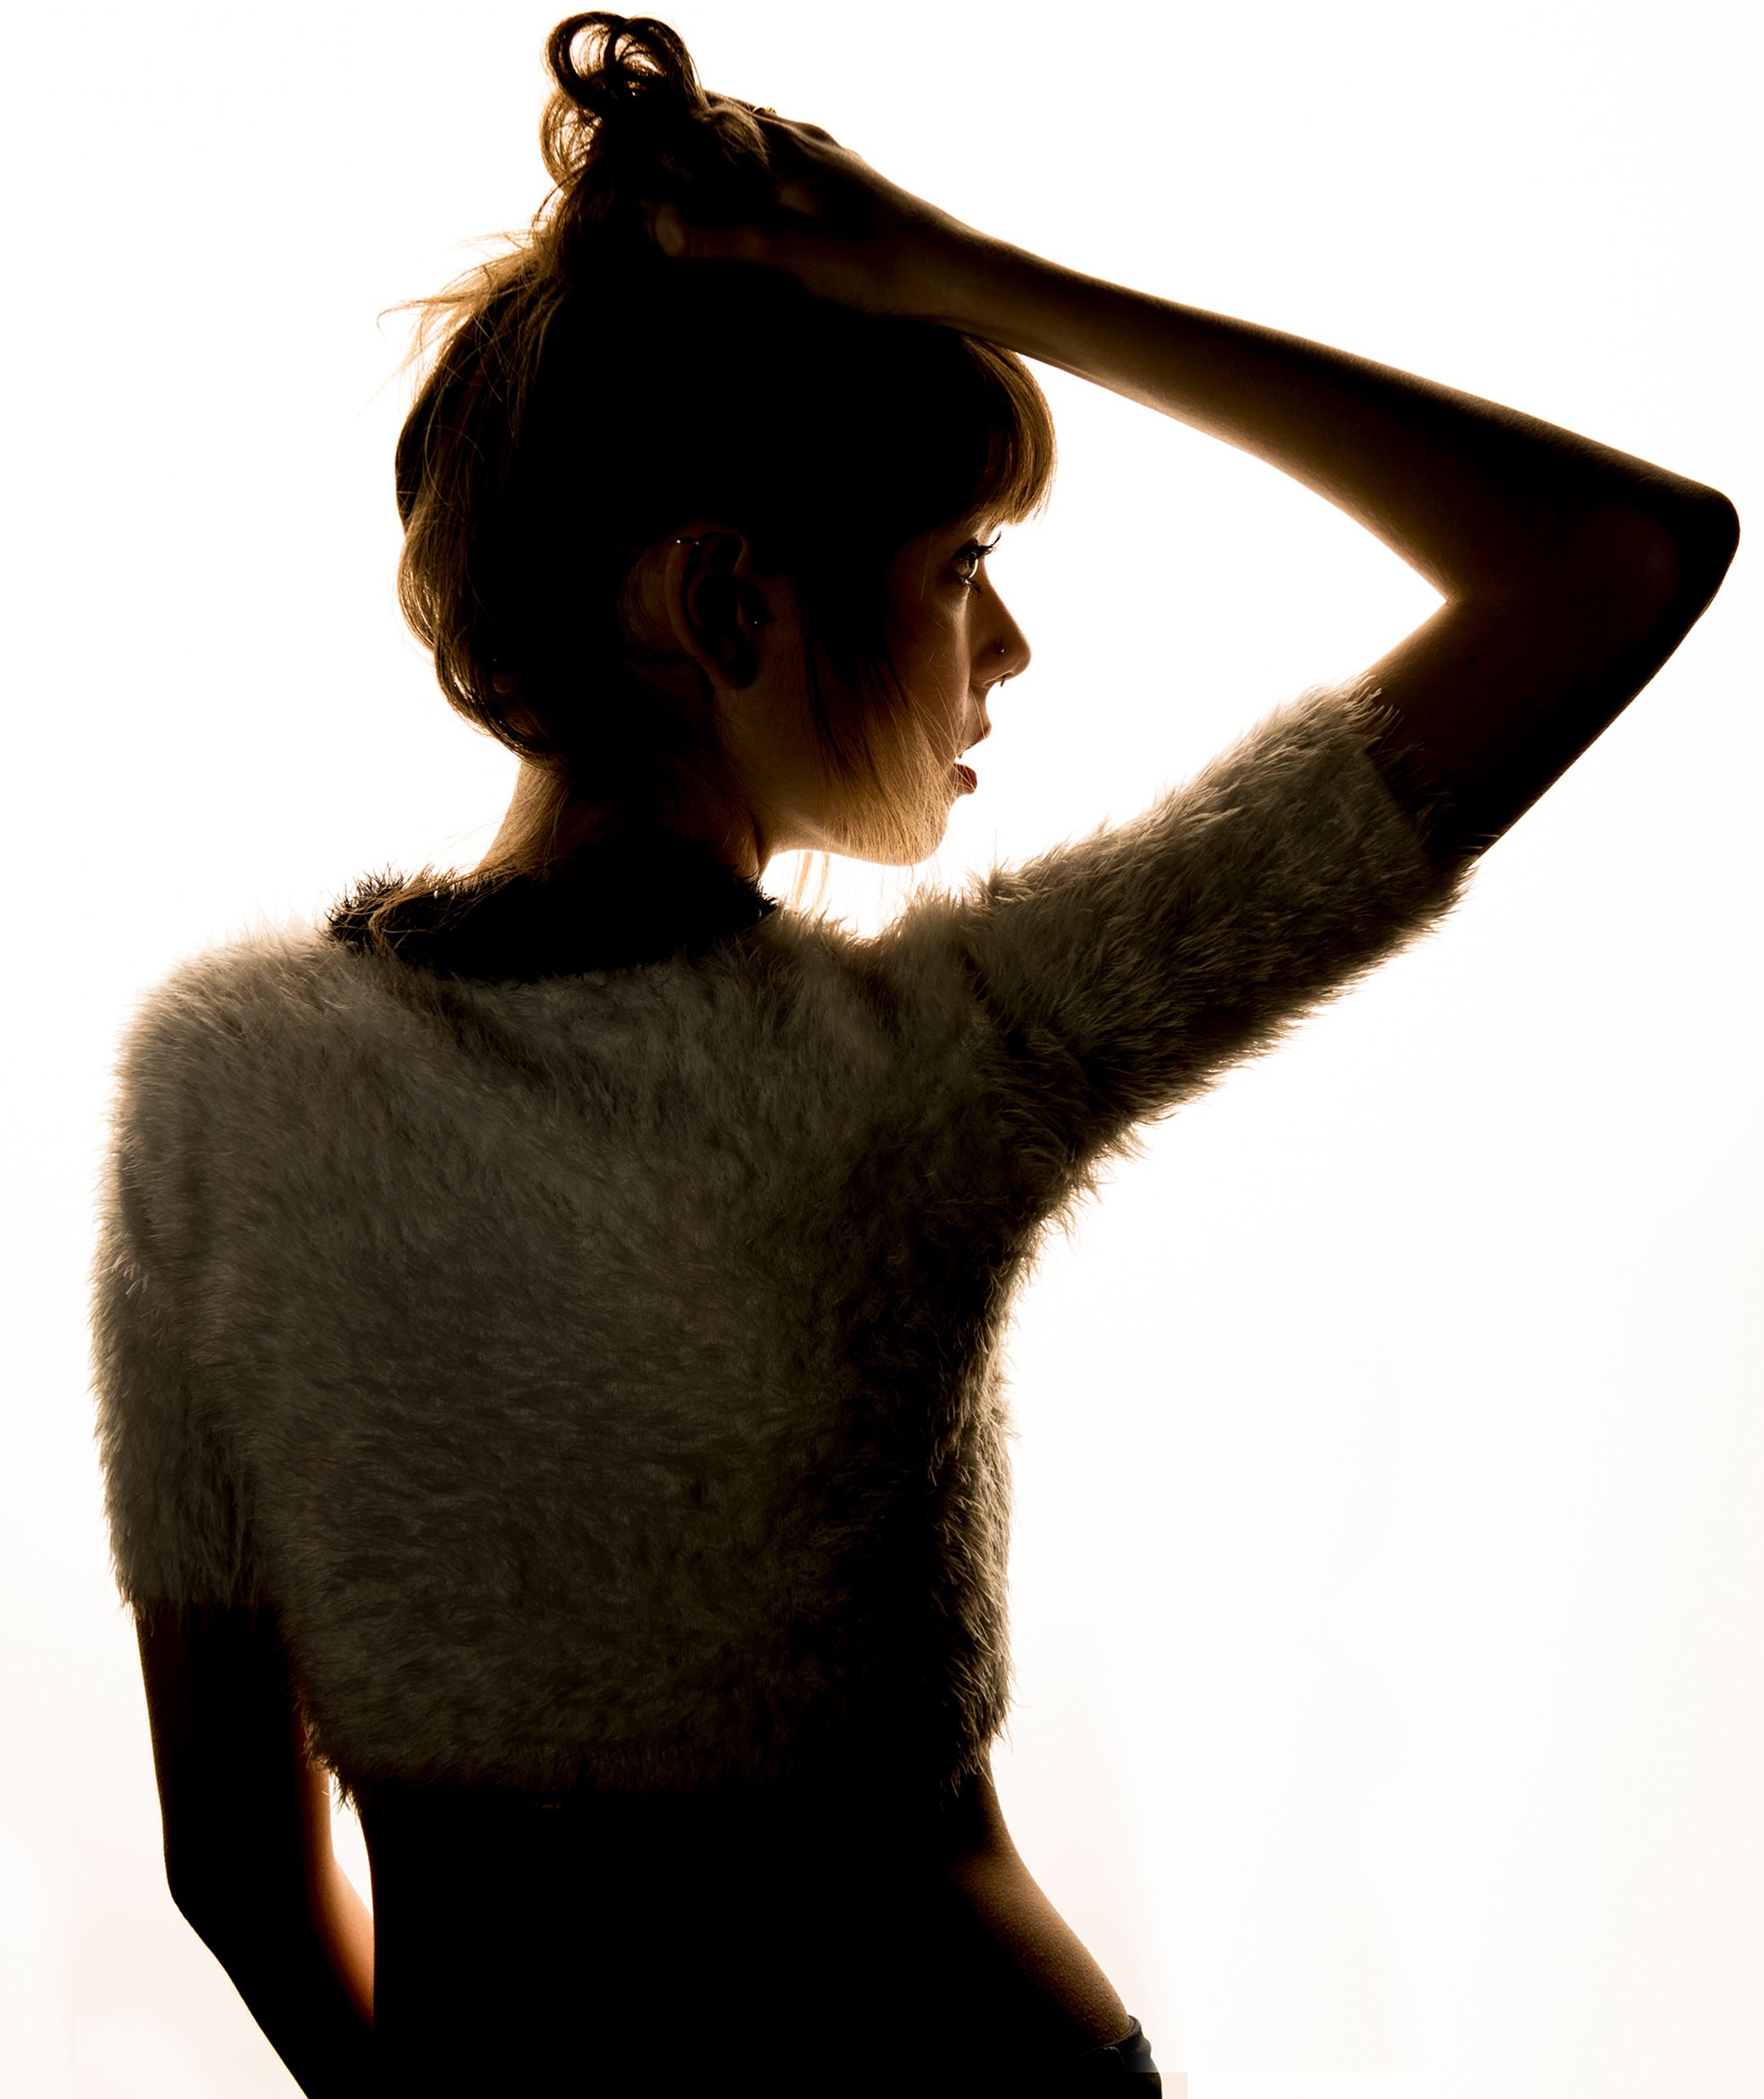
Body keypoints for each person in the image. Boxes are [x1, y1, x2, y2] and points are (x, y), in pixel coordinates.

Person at [92, 12, 1738, 2097]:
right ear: (725, 599)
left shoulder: (220, 1088)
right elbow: (1605, 560)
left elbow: (240, 1862)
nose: (1008, 646)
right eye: (963, 565)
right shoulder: (948, 1051)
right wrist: (975, 279)